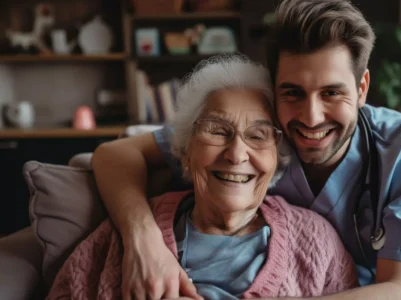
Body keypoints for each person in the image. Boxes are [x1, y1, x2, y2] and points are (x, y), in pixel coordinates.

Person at [92, 0, 401, 299]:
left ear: (362, 88)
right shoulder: (252, 134)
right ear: (273, 88)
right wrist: (144, 238)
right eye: (292, 92)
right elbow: (114, 155)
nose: (311, 118)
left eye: (331, 93)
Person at [47, 56, 358, 300]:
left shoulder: (316, 241)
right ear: (183, 152)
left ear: (278, 159)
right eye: (217, 130)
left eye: (259, 135)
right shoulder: (122, 236)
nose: (237, 154)